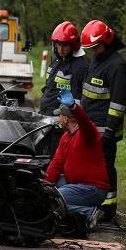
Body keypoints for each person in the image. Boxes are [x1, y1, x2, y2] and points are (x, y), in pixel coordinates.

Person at [80, 20, 126, 221]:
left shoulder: (117, 65)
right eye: (91, 48)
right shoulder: (96, 60)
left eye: (96, 47)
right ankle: (95, 200)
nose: (94, 51)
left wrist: (109, 130)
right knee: (91, 166)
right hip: (90, 125)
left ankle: (109, 207)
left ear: (107, 42)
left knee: (106, 166)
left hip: (106, 128)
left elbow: (118, 102)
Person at [44, 89, 110, 230]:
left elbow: (85, 122)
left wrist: (74, 106)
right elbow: (56, 164)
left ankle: (90, 213)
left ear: (66, 119)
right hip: (75, 184)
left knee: (55, 199)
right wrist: (43, 185)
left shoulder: (87, 134)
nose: (58, 119)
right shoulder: (65, 137)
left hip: (93, 188)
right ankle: (80, 207)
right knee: (46, 195)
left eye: (60, 116)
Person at [39, 21, 88, 156]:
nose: (61, 49)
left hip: (61, 122)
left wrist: (67, 119)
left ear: (73, 45)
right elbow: (49, 87)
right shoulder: (56, 60)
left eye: (65, 45)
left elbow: (77, 98)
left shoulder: (79, 66)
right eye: (58, 44)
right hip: (45, 115)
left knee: (55, 156)